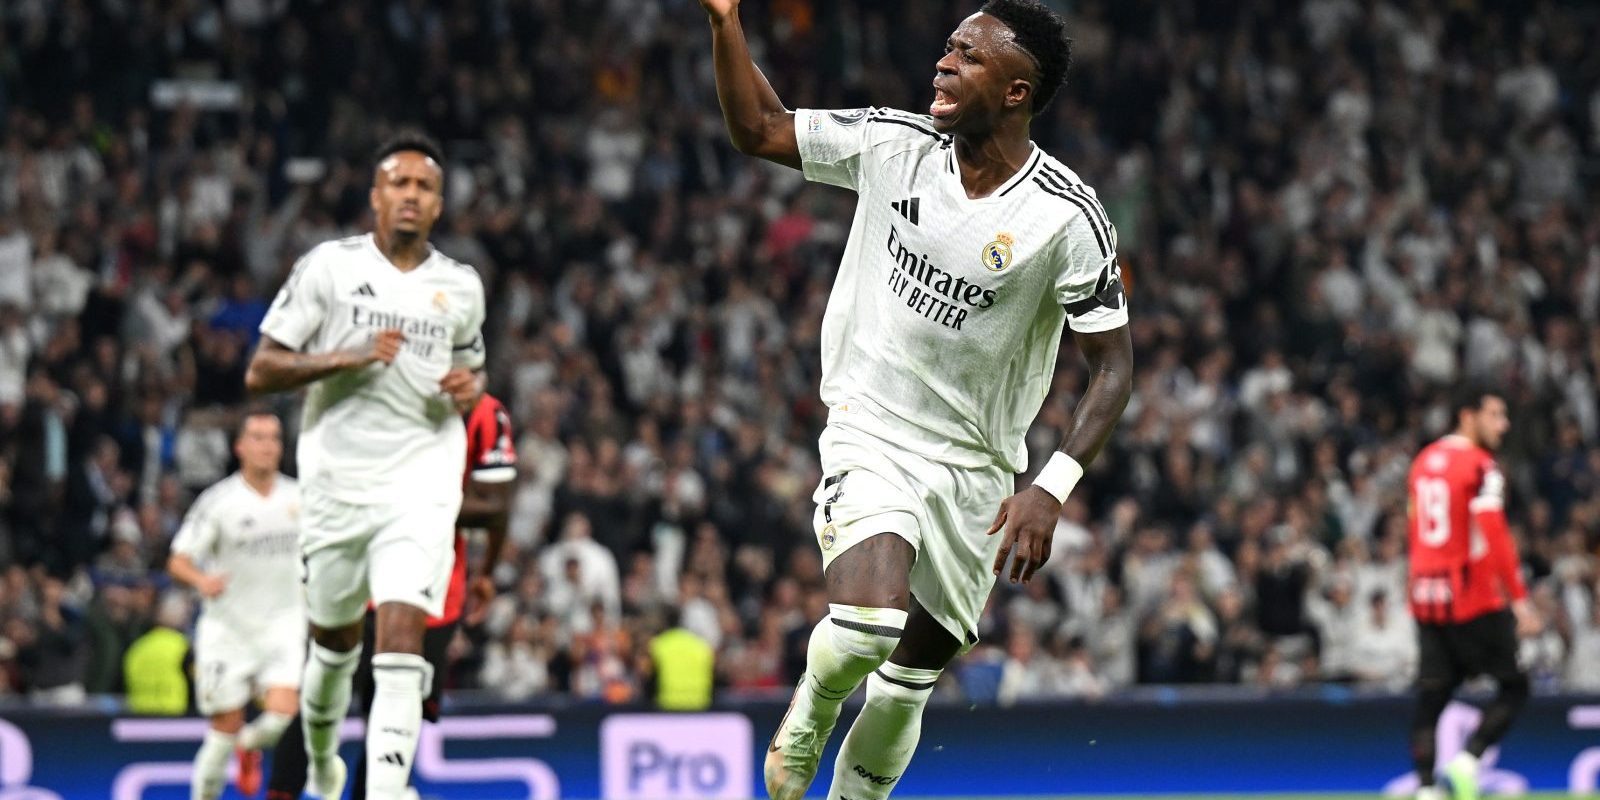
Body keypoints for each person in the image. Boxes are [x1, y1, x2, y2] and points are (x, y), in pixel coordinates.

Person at [696, 1, 1134, 798]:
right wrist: (726, 23)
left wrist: (1049, 487)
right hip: (874, 427)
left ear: (1015, 91)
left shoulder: (1067, 219)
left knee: (909, 680)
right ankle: (816, 701)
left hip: (978, 468)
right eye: (948, 47)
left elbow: (1113, 367)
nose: (944, 63)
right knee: (868, 626)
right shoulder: (894, 145)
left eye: (968, 55)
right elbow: (759, 128)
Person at [245, 130, 487, 800]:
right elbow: (262, 369)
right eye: (400, 184)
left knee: (402, 635)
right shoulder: (327, 267)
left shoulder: (461, 286)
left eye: (425, 187)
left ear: (438, 205)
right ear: (376, 196)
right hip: (336, 484)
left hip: (420, 481)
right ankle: (324, 760)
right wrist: (345, 356)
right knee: (332, 647)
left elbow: (471, 364)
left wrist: (470, 384)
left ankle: (384, 791)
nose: (412, 196)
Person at [265, 392, 517, 800]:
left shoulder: (483, 411)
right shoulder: (368, 385)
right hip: (355, 575)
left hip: (431, 591)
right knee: (323, 697)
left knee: (391, 717)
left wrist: (485, 570)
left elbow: (495, 505)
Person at [1406, 386, 1540, 800]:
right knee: (1514, 686)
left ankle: (1427, 789)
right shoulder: (1482, 467)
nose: (1504, 425)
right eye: (1495, 415)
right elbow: (1494, 534)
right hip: (1472, 596)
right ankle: (1467, 763)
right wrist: (1519, 600)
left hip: (1426, 596)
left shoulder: (1423, 461)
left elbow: (1415, 528)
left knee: (1433, 696)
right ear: (1468, 416)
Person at [167, 411, 303, 800]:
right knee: (223, 729)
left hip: (283, 625)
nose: (266, 445)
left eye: (274, 438)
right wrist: (201, 581)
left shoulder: (300, 497)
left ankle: (250, 746)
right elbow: (177, 560)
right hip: (229, 629)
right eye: (257, 437)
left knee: (283, 717)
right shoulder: (219, 501)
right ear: (239, 447)